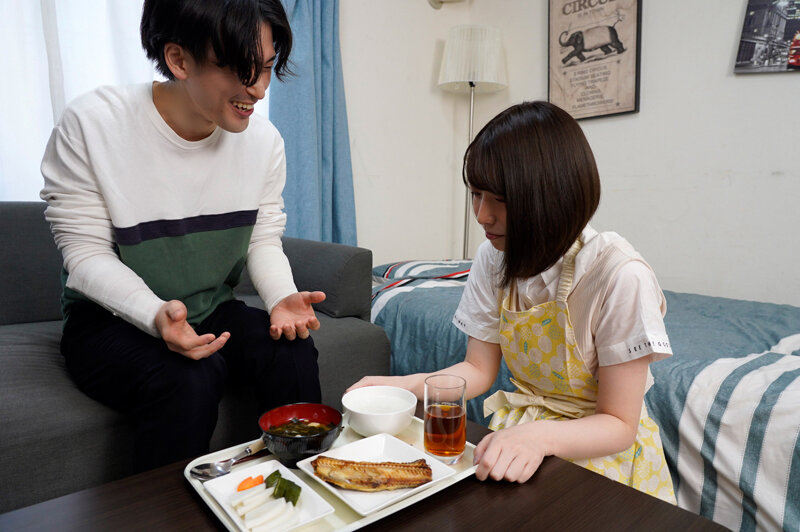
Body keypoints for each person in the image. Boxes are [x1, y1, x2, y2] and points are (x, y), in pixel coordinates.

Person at [40, 0, 324, 472]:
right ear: (178, 59)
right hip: (111, 322)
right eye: (240, 69)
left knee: (291, 350)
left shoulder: (264, 142)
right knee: (188, 377)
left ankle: (301, 490)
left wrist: (281, 297)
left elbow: (261, 240)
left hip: (210, 309)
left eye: (266, 68)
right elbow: (84, 255)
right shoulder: (93, 124)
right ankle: (168, 509)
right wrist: (156, 315)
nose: (257, 89)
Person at [350, 101, 676, 503]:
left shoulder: (619, 274)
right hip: (525, 436)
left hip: (601, 450)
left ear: (553, 195)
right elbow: (478, 369)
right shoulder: (493, 258)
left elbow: (619, 423)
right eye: (476, 194)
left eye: (499, 199)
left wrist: (537, 437)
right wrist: (400, 387)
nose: (481, 216)